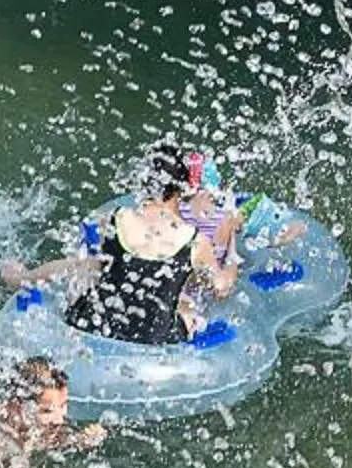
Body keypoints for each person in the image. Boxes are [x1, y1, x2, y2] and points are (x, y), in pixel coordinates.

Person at [72, 145, 238, 345]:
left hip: (92, 325)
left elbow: (87, 267)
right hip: (152, 339)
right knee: (189, 315)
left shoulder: (116, 216)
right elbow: (221, 287)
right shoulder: (194, 238)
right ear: (183, 187)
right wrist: (232, 247)